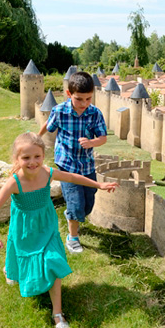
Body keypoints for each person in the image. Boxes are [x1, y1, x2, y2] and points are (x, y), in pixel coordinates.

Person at [0, 132, 118, 328]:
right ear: (17, 159)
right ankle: (11, 270)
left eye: (37, 156)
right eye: (26, 158)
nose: (32, 162)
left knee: (53, 261)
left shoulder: (47, 172)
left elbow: (72, 177)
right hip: (25, 231)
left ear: (43, 156)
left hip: (48, 228)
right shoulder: (14, 182)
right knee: (21, 260)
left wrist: (98, 184)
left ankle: (57, 313)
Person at [38, 71, 107, 254]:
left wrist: (92, 142)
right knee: (76, 204)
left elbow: (103, 137)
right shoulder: (60, 111)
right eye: (79, 99)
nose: (84, 104)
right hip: (67, 164)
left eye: (88, 99)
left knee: (87, 205)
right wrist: (36, 138)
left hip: (87, 165)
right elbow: (49, 124)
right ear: (69, 94)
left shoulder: (94, 113)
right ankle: (72, 237)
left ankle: (73, 215)